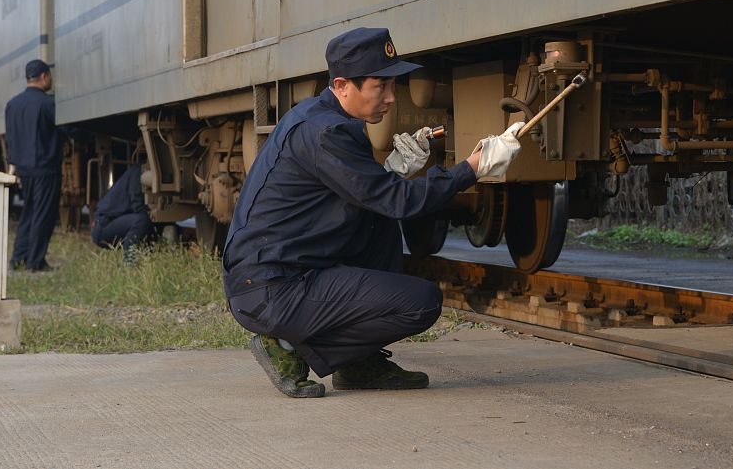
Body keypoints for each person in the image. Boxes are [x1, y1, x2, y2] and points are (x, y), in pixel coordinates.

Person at [223, 27, 521, 398]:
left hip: (284, 270)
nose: (392, 98)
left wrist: (393, 171)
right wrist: (471, 169)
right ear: (344, 85)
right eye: (380, 87)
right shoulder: (327, 133)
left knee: (378, 221)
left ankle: (357, 362)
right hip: (273, 287)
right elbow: (398, 202)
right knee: (421, 304)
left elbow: (368, 197)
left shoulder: (323, 119)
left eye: (393, 86)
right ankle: (285, 345)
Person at [6, 59, 63, 272]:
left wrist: (13, 164)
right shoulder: (48, 103)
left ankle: (18, 258)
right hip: (46, 168)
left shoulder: (13, 104)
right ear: (44, 76)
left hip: (24, 169)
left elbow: (10, 138)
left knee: (28, 213)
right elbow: (65, 129)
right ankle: (35, 262)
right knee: (43, 215)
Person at [91, 163, 154, 264]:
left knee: (144, 221)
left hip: (107, 223)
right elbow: (137, 205)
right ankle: (129, 261)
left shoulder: (138, 170)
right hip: (104, 226)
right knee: (141, 221)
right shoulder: (137, 172)